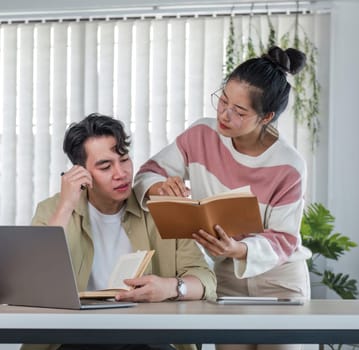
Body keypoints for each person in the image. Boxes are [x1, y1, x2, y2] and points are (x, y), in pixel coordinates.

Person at [133, 46, 312, 350]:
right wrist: (157, 188)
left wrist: (240, 248)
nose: (224, 115)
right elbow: (148, 172)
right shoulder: (201, 134)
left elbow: (283, 238)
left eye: (239, 111)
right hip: (227, 278)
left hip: (280, 282)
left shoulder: (289, 166)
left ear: (266, 116)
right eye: (223, 100)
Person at [23, 113, 217, 350]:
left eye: (124, 159)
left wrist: (170, 287)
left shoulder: (159, 208)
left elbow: (206, 280)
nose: (121, 173)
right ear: (81, 172)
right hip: (76, 337)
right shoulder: (53, 210)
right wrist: (66, 206)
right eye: (105, 166)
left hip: (147, 336)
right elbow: (33, 281)